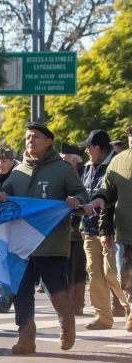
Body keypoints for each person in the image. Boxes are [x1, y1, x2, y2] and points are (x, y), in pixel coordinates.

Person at [0, 122, 89, 355]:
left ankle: (67, 323)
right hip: (21, 244)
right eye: (28, 137)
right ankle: (26, 338)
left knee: (57, 289)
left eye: (36, 137)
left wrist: (75, 201)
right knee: (22, 292)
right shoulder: (17, 171)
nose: (31, 140)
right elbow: (4, 195)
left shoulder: (63, 168)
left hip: (51, 242)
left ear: (48, 141)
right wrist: (1, 196)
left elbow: (81, 195)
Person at [77, 130, 131, 330]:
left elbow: (110, 203)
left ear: (97, 148)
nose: (86, 151)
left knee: (112, 274)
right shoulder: (88, 167)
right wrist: (83, 225)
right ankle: (103, 317)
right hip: (89, 229)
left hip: (110, 230)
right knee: (94, 273)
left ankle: (129, 309)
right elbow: (91, 195)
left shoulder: (115, 164)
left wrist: (105, 232)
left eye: (88, 148)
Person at [60, 143, 88, 316]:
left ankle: (77, 303)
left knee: (78, 269)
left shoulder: (83, 175)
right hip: (64, 230)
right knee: (66, 268)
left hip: (79, 230)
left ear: (74, 161)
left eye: (65, 160)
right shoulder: (63, 175)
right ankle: (69, 301)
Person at [0, 147, 18, 314]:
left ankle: (4, 299)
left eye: (4, 161)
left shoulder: (18, 178)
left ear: (12, 162)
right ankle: (6, 296)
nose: (0, 165)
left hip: (15, 227)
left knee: (9, 263)